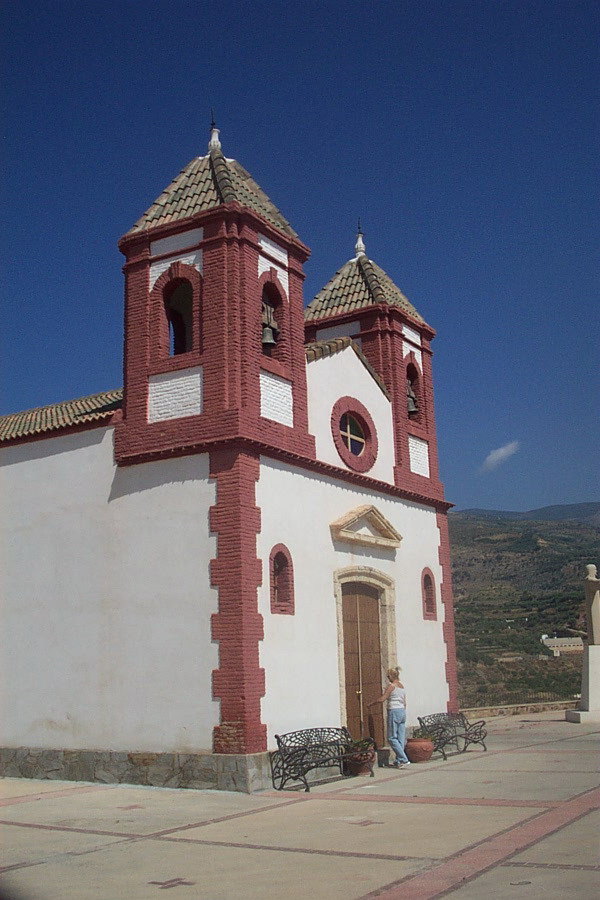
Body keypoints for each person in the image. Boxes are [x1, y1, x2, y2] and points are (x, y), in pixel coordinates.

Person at [368, 666, 410, 767]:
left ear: (391, 676)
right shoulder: (401, 686)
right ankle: (399, 760)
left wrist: (371, 703)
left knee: (391, 737)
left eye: (388, 676)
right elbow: (404, 702)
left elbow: (383, 698)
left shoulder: (392, 686)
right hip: (402, 711)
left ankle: (404, 759)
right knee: (400, 737)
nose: (387, 678)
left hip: (394, 711)